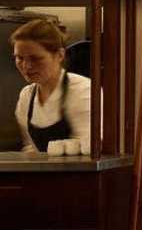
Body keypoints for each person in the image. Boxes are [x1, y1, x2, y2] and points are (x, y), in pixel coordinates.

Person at [11, 19, 91, 153]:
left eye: (35, 58)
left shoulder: (83, 91)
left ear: (60, 55)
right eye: (19, 58)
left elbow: (88, 149)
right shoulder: (26, 96)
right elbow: (31, 148)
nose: (26, 66)